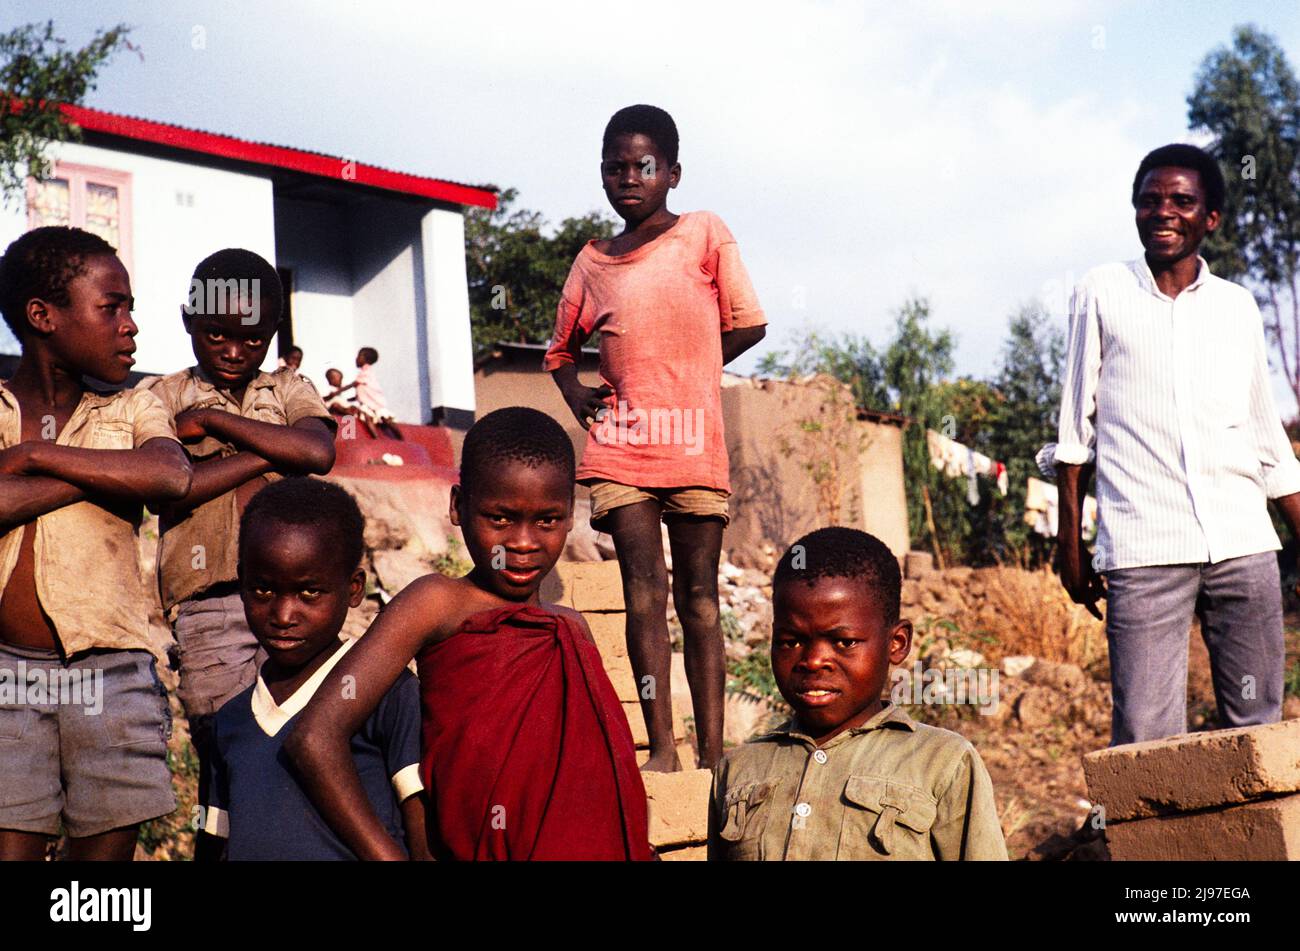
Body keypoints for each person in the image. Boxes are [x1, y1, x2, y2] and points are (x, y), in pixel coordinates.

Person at [287, 407, 653, 860]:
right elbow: (315, 737)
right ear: (458, 507)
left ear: (570, 517)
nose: (522, 543)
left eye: (547, 520)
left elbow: (607, 778)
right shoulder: (436, 603)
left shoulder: (571, 630)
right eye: (500, 519)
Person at [1054, 143, 1300, 746]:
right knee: (1145, 740)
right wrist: (1071, 546)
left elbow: (1269, 442)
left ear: (1209, 218)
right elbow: (1073, 434)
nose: (1163, 212)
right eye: (1150, 200)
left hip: (1242, 546)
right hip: (1144, 549)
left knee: (1257, 729)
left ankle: (1255, 843)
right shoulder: (1103, 291)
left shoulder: (1236, 307)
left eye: (1182, 201)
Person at [545, 104, 767, 771]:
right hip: (622, 446)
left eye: (642, 165)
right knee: (644, 588)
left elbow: (750, 324)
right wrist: (576, 391)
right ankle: (663, 749)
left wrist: (696, 366)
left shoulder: (704, 233)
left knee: (699, 597)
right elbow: (560, 351)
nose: (627, 177)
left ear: (672, 171)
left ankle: (713, 749)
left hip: (693, 442)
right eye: (614, 166)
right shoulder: (592, 261)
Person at [0, 226, 192, 860]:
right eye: (112, 307)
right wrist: (102, 469)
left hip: (112, 672)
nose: (131, 325)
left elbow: (168, 473)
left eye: (130, 308)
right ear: (42, 316)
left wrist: (33, 456)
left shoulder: (135, 408)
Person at [138, 249, 336, 798]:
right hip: (210, 602)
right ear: (188, 322)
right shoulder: (159, 396)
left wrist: (215, 422)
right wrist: (272, 454)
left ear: (273, 331)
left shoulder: (289, 388)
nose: (232, 352)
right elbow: (173, 483)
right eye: (215, 335)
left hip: (295, 599)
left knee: (305, 746)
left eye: (252, 339)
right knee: (227, 759)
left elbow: (317, 452)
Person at [708, 527, 1007, 861]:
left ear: (897, 644)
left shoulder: (943, 763)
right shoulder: (738, 770)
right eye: (791, 641)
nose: (813, 661)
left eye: (844, 642)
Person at [195, 478, 427, 860]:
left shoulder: (386, 694)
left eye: (309, 593)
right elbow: (213, 845)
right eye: (264, 590)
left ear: (354, 589)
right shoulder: (230, 721)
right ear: (241, 581)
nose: (283, 616)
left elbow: (423, 836)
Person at [330, 347, 401, 439]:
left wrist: (337, 392)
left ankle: (384, 438)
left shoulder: (365, 372)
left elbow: (353, 384)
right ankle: (388, 438)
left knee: (378, 419)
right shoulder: (366, 373)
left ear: (365, 358)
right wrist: (352, 398)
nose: (356, 359)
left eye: (359, 356)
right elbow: (362, 391)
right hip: (372, 403)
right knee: (378, 418)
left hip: (373, 402)